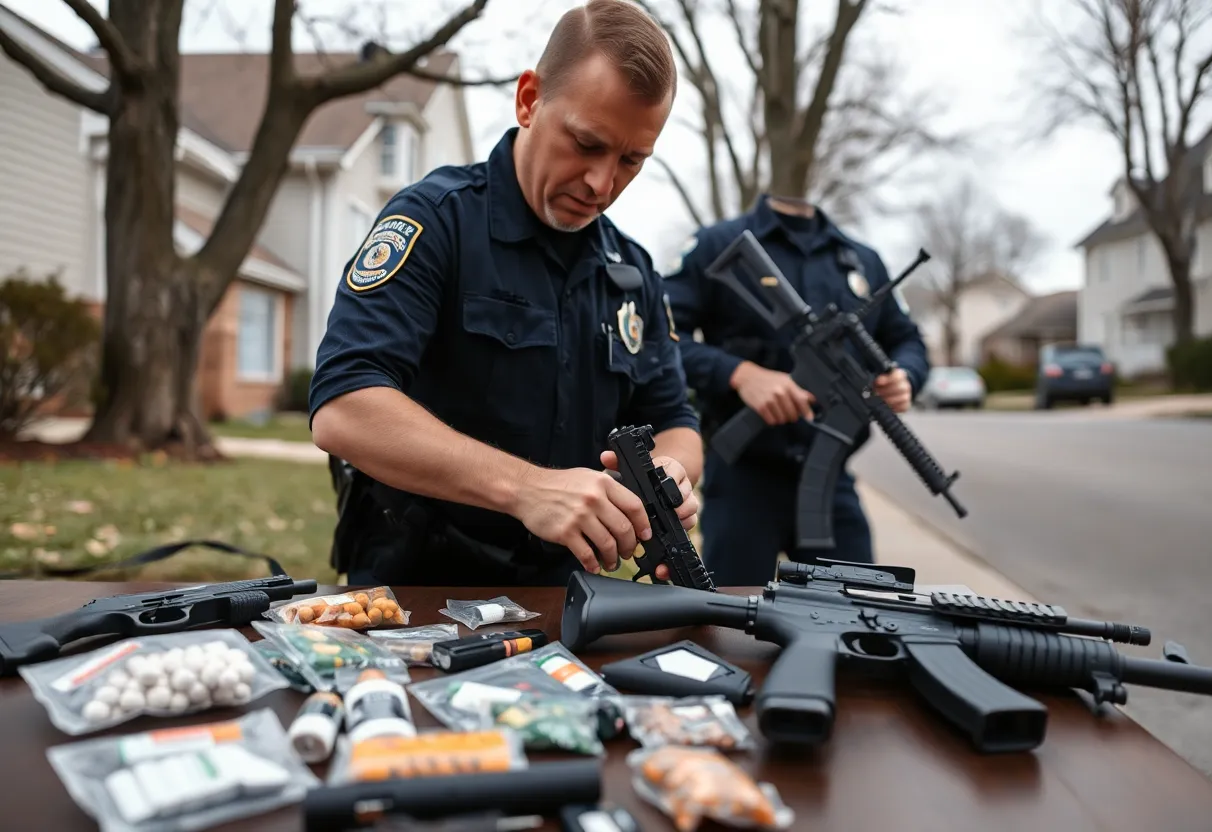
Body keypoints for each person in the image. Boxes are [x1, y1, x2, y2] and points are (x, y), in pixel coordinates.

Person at [309, 0, 703, 588]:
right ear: (528, 100)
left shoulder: (632, 272)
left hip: (570, 601)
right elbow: (344, 409)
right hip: (415, 595)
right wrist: (527, 489)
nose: (602, 183)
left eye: (630, 161)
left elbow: (675, 418)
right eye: (587, 143)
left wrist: (669, 477)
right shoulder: (436, 222)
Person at [662, 195, 929, 585]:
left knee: (861, 613)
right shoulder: (717, 244)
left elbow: (908, 340)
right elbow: (661, 336)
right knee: (725, 623)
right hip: (741, 479)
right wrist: (738, 373)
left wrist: (906, 375)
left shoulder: (861, 260)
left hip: (830, 478)